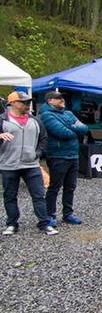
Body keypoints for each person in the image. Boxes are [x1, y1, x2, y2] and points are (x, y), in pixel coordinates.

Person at [0, 91, 57, 236]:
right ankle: (12, 224)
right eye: (23, 102)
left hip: (31, 164)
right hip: (8, 164)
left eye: (28, 102)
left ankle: (44, 223)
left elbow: (44, 139)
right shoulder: (2, 120)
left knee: (38, 195)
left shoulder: (35, 120)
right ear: (12, 103)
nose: (27, 104)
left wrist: (37, 154)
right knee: (10, 196)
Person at [39, 91, 89, 227]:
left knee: (70, 187)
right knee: (54, 187)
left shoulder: (69, 113)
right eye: (58, 98)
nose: (62, 100)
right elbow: (62, 133)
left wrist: (72, 128)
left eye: (62, 97)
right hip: (57, 156)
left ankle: (68, 214)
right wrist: (74, 128)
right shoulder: (46, 115)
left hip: (73, 155)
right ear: (49, 100)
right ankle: (50, 215)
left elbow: (84, 128)